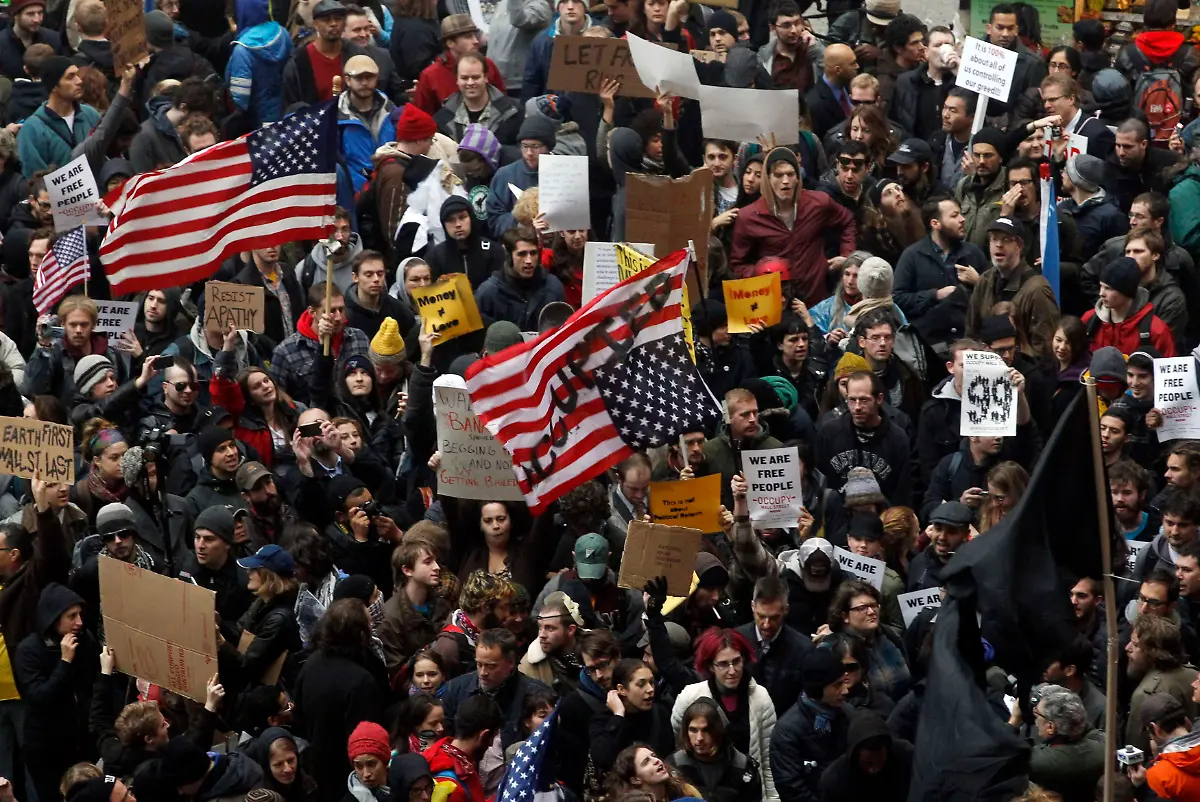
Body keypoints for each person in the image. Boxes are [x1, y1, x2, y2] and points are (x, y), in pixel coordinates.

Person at [729, 147, 856, 307]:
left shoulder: (818, 203)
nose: (785, 181)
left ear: (798, 177)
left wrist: (847, 256)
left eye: (790, 174)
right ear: (767, 178)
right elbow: (737, 265)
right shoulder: (749, 216)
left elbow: (847, 220)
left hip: (816, 300)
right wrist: (761, 273)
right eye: (778, 175)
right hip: (775, 303)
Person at [669, 627, 778, 799]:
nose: (732, 670)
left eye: (736, 661)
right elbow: (679, 744)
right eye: (723, 664)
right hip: (699, 790)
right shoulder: (690, 696)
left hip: (747, 789)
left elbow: (768, 759)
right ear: (710, 666)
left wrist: (772, 798)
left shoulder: (760, 697)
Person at [293, 599, 388, 795]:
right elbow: (366, 740)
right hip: (350, 781)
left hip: (316, 769)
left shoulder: (311, 663)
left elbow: (299, 718)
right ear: (360, 633)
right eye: (369, 624)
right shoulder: (361, 681)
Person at [13, 582, 97, 802]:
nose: (79, 622)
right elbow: (41, 698)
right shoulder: (28, 651)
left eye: (80, 614)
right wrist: (65, 661)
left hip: (80, 742)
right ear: (54, 617)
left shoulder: (85, 640)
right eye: (72, 616)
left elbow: (92, 684)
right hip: (47, 749)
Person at [893, 197, 987, 352]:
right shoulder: (912, 256)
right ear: (935, 224)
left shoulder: (973, 253)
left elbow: (994, 297)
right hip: (928, 345)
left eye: (961, 214)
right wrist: (934, 295)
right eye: (954, 215)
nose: (962, 219)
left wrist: (978, 282)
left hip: (969, 343)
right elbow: (898, 299)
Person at [440, 627, 550, 751]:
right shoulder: (455, 689)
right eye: (479, 664)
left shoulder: (536, 697)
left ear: (511, 663)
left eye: (491, 666)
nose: (483, 672)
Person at [770, 647, 851, 801]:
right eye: (837, 685)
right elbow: (792, 790)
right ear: (817, 689)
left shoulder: (848, 713)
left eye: (844, 682)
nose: (845, 690)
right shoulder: (787, 732)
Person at [270, 285, 370, 406]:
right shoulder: (286, 351)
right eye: (332, 311)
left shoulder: (359, 338)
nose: (339, 317)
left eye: (342, 310)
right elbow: (278, 397)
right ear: (312, 312)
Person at [1020, 684, 1106, 802]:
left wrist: (1013, 721)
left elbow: (1002, 754)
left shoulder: (1037, 761)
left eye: (1037, 714)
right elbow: (1090, 729)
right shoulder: (1102, 748)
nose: (1036, 719)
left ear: (1051, 727)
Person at [1125, 614, 1197, 754]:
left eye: (1135, 645)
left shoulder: (1146, 694)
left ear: (1153, 653)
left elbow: (1135, 750)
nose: (1127, 648)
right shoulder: (1194, 675)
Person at [475, 225, 566, 331]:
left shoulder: (553, 286)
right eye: (522, 254)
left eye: (533, 253)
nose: (529, 260)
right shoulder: (488, 293)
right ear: (508, 256)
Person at [1081, 257, 1175, 356]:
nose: (1101, 293)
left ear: (1126, 292)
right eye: (1101, 286)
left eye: (1108, 288)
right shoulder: (1089, 320)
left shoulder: (1156, 330)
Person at [412, 14, 505, 114]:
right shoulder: (431, 75)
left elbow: (503, 104)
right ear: (450, 43)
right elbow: (423, 116)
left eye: (474, 35)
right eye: (468, 37)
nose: (476, 41)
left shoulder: (488, 64)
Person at [818, 709, 914, 802]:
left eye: (880, 761)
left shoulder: (906, 758)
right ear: (855, 756)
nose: (875, 769)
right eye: (868, 763)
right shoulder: (835, 781)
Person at [423, 694, 503, 802]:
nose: (490, 745)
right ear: (484, 735)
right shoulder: (450, 785)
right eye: (492, 737)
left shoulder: (445, 755)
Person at [282, 0, 357, 107]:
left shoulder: (357, 54)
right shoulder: (298, 62)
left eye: (338, 19)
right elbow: (291, 106)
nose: (333, 24)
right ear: (315, 25)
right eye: (326, 20)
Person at [890, 26, 956, 141]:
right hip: (916, 152)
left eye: (948, 45)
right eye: (937, 45)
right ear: (926, 51)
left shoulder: (960, 83)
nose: (944, 49)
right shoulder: (906, 82)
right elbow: (893, 121)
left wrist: (960, 73)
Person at [1060, 152, 1130, 261]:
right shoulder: (1063, 207)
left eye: (1065, 171)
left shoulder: (1112, 216)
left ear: (1076, 179)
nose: (1062, 175)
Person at [1138, 692, 1200, 799]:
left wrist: (1141, 787)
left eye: (1149, 732)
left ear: (1156, 729)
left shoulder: (1158, 776)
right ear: (1186, 720)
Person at [907, 501, 973, 590]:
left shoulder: (975, 567)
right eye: (938, 529)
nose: (942, 537)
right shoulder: (918, 563)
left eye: (951, 531)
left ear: (965, 535)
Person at [605, 743, 703, 799]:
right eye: (646, 762)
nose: (656, 761)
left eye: (654, 756)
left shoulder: (686, 791)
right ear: (635, 779)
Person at [248, 727, 318, 802]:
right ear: (267, 767)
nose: (288, 769)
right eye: (278, 764)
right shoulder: (260, 798)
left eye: (290, 760)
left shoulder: (308, 785)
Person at [342, 721, 390, 802]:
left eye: (372, 764)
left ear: (385, 762)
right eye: (359, 766)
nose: (366, 774)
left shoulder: (404, 790)